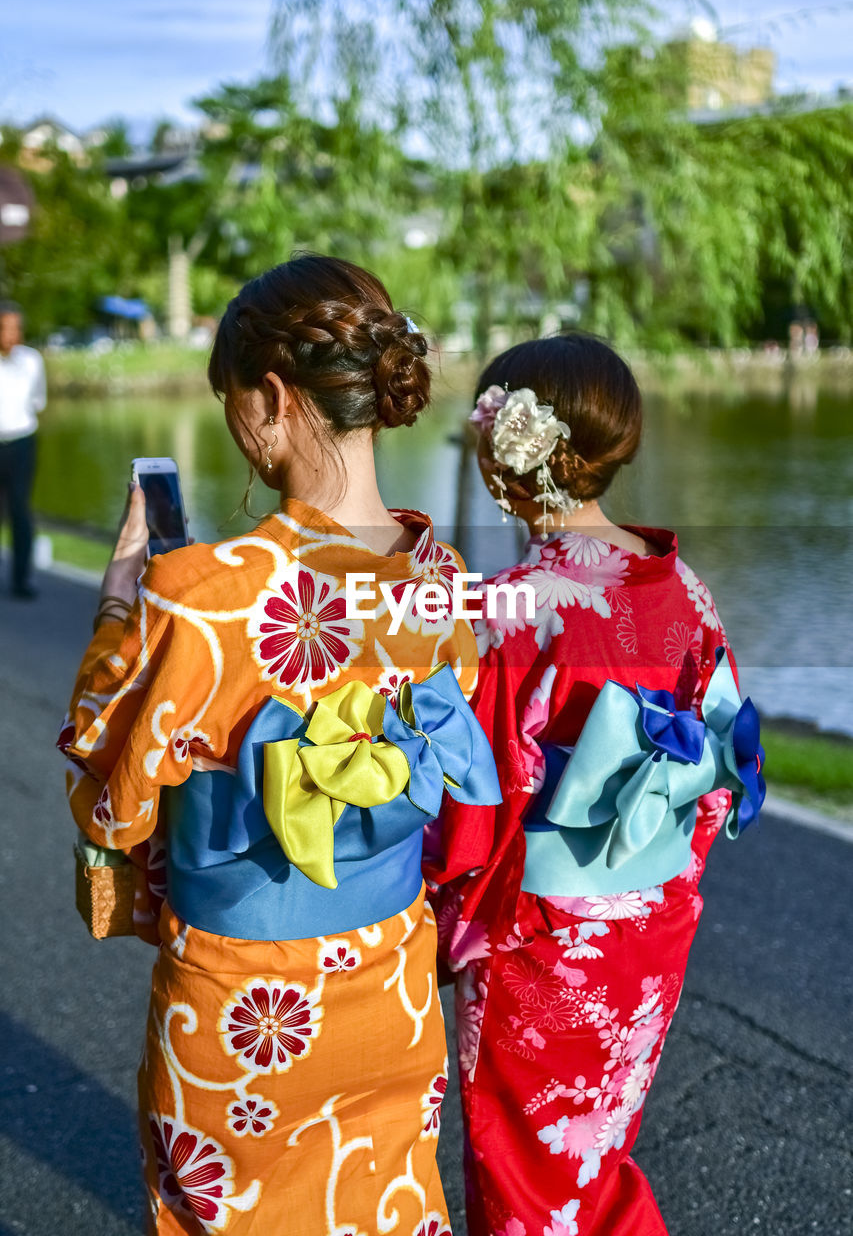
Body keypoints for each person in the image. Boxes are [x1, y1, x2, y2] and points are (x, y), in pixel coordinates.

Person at [58, 255, 499, 1235]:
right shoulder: (445, 578)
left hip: (244, 999)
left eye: (230, 402)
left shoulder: (200, 593)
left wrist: (123, 600)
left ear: (268, 395)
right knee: (383, 1207)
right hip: (390, 973)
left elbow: (115, 792)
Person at [425, 332, 764, 1236]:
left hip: (543, 934)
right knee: (592, 1145)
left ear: (506, 457)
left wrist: (440, 925)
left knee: (525, 1164)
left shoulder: (510, 604)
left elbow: (474, 805)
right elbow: (718, 772)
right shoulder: (680, 583)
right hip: (652, 915)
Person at [0, 300, 46, 598]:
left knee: (20, 510)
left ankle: (21, 579)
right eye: (5, 328)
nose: (11, 334)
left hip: (21, 443)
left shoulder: (31, 361)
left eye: (16, 328)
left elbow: (37, 401)